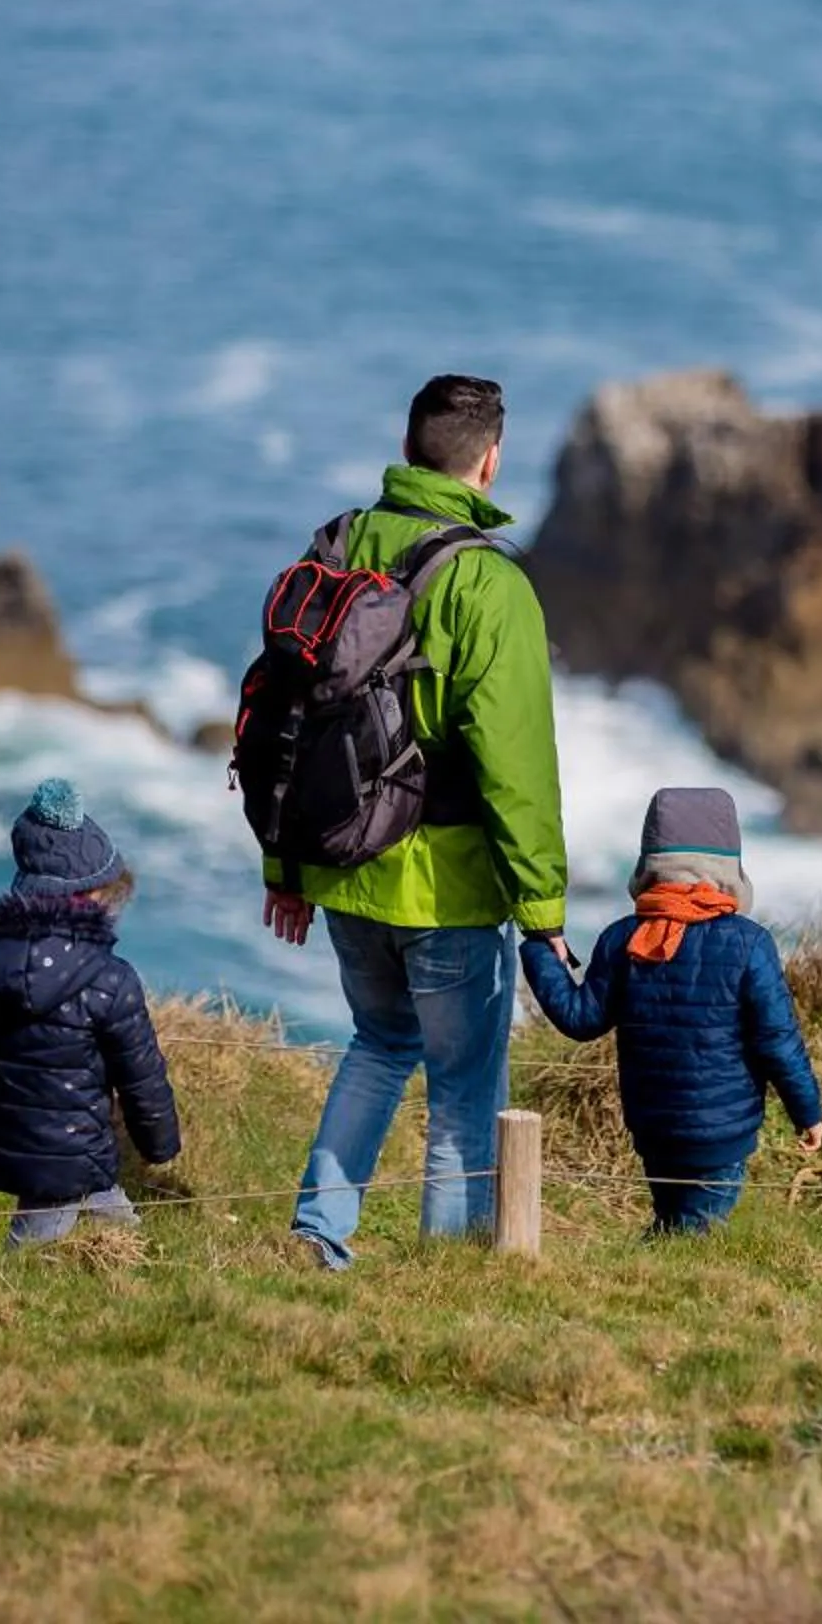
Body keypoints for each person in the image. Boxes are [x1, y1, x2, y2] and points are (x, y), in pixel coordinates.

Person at [265, 374, 569, 1269]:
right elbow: (517, 767)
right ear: (491, 461)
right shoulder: (488, 584)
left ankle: (319, 1234)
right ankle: (445, 1272)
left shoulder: (342, 542)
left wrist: (285, 867)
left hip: (341, 863)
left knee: (378, 1042)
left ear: (408, 450)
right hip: (448, 886)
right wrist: (543, 910)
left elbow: (285, 716)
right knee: (464, 1091)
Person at [519, 787, 822, 1236]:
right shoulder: (749, 943)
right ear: (730, 868)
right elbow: (777, 1042)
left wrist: (541, 949)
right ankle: (637, 1290)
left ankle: (641, 1284)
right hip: (722, 1136)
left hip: (654, 1131)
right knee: (691, 1238)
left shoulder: (623, 937)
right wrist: (808, 1112)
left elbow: (580, 1018)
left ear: (649, 862)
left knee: (674, 1226)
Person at [0, 780, 181, 1250]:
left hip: (8, 1138)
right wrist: (160, 1145)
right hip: (73, 1149)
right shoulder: (111, 979)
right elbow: (142, 1077)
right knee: (29, 1255)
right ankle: (2, 1305)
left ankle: (135, 1265)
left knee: (112, 1216)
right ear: (91, 894)